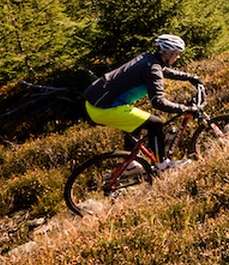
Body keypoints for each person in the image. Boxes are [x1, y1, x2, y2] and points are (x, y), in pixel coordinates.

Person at [83, 34, 202, 170]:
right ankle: (162, 164)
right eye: (177, 53)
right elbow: (158, 102)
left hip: (95, 101)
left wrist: (190, 77)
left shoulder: (148, 58)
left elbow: (161, 70)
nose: (178, 57)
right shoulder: (152, 69)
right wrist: (185, 109)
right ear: (168, 53)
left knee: (137, 123)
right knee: (155, 123)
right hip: (103, 109)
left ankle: (130, 165)